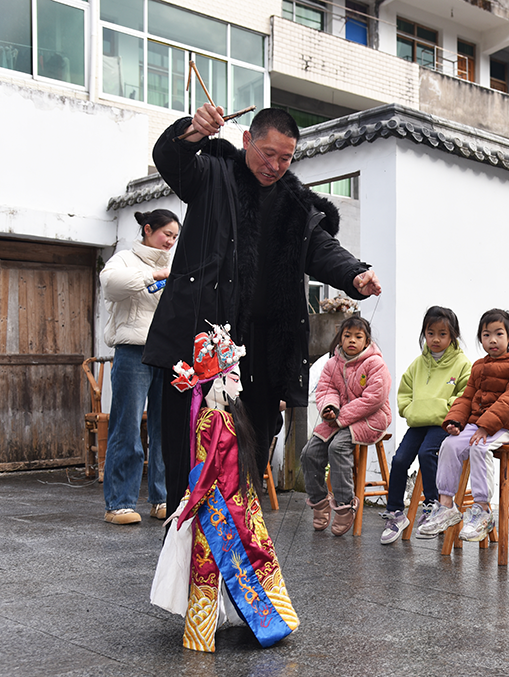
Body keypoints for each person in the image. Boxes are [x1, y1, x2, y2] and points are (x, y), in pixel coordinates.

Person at [147, 103, 381, 516]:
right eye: (267, 153)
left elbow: (323, 249)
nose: (274, 166)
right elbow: (171, 158)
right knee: (189, 458)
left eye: (285, 158)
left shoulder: (295, 205)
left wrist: (355, 274)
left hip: (261, 355)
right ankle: (184, 546)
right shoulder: (212, 174)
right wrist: (193, 131)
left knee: (247, 461)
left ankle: (239, 543)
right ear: (246, 140)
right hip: (200, 343)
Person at [151, 323, 298, 653]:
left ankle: (205, 631)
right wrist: (187, 506)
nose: (240, 385)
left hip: (233, 502)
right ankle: (259, 622)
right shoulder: (215, 421)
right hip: (222, 506)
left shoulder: (219, 418)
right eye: (234, 378)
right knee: (239, 561)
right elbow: (206, 471)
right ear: (216, 383)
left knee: (221, 566)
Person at [418, 309, 509, 542]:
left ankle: (483, 511)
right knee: (449, 444)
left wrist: (486, 426)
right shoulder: (479, 366)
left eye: (499, 334)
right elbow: (467, 397)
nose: (492, 340)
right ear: (480, 338)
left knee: (479, 447)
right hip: (482, 422)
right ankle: (446, 506)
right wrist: (455, 422)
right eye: (486, 335)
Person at [100, 209, 180, 524]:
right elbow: (110, 284)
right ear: (147, 229)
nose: (170, 242)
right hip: (133, 351)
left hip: (168, 354)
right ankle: (119, 503)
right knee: (127, 426)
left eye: (175, 237)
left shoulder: (175, 265)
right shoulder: (124, 259)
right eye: (166, 234)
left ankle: (162, 499)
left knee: (165, 428)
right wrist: (154, 276)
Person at [380, 306, 472, 544]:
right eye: (431, 333)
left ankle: (433, 506)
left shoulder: (462, 364)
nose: (436, 339)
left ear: (453, 335)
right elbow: (404, 393)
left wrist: (444, 409)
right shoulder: (418, 364)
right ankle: (395, 512)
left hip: (443, 424)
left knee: (427, 453)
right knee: (399, 460)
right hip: (419, 422)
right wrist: (410, 410)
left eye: (442, 334)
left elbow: (465, 395)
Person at [301, 316, 391, 536]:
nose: (352, 340)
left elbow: (373, 399)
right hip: (339, 419)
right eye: (347, 335)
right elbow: (325, 390)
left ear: (367, 340)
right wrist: (329, 408)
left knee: (338, 447)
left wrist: (340, 416)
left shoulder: (375, 363)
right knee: (309, 452)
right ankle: (319, 501)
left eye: (358, 336)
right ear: (340, 338)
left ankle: (344, 505)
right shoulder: (332, 364)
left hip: (371, 419)